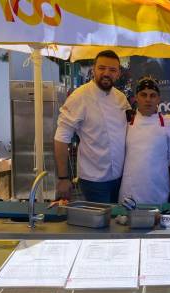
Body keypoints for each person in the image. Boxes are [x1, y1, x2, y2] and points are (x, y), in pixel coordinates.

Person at [53, 50, 131, 203]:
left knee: (119, 221)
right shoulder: (79, 96)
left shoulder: (121, 98)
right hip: (94, 179)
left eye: (112, 70)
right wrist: (63, 178)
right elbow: (61, 138)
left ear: (118, 73)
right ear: (93, 69)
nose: (106, 73)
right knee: (101, 224)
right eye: (102, 68)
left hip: (121, 176)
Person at [118, 77, 170, 205]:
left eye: (152, 95)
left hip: (159, 190)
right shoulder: (125, 124)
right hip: (130, 192)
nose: (148, 99)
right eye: (143, 95)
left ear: (158, 99)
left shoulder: (169, 124)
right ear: (136, 97)